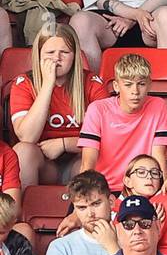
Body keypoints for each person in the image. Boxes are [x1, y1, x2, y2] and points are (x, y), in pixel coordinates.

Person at [10, 25, 106, 186]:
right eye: (50, 53)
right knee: (23, 151)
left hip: (80, 159)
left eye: (65, 52)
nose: (57, 58)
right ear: (39, 55)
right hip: (42, 162)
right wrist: (48, 84)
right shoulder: (24, 83)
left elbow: (106, 137)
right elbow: (27, 137)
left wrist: (64, 144)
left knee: (99, 156)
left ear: (75, 56)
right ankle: (25, 211)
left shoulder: (93, 83)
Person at [77, 52, 167, 192]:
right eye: (128, 85)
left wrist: (161, 193)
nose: (135, 91)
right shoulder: (98, 109)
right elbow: (88, 162)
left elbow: (158, 156)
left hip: (141, 189)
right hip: (104, 189)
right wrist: (86, 194)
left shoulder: (157, 105)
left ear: (149, 85)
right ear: (116, 86)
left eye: (141, 84)